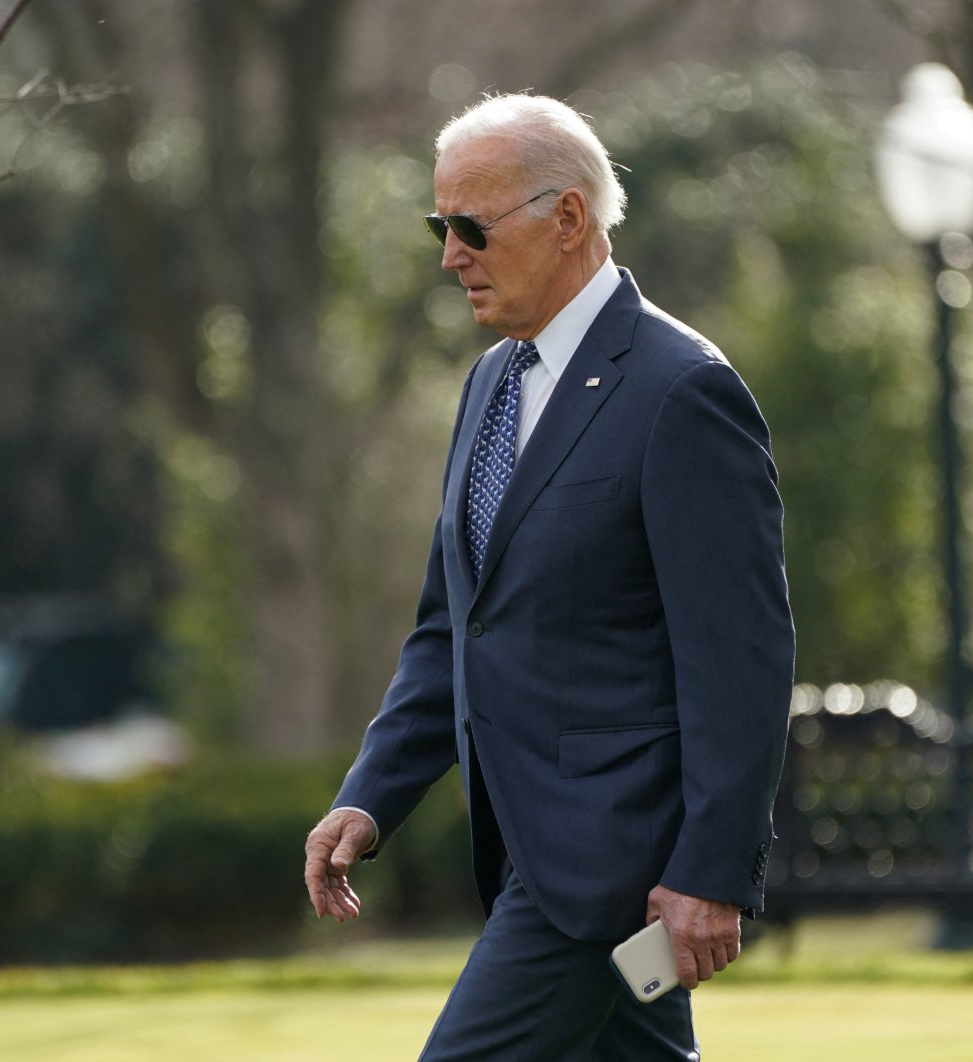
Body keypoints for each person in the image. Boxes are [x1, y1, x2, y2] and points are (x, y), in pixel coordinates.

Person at [303, 93, 795, 1060]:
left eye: (472, 226)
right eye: (440, 226)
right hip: (541, 857)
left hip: (613, 870)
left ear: (568, 217)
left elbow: (740, 658)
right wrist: (369, 797)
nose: (451, 254)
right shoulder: (490, 382)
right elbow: (456, 628)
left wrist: (713, 871)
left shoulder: (683, 390)